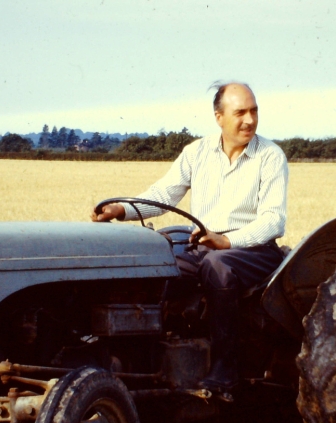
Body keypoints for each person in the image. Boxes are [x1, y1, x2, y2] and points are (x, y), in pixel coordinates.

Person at [91, 82, 289, 392]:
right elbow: (164, 193)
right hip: (205, 247)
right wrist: (122, 208)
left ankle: (226, 369)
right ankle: (142, 365)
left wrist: (227, 241)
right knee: (158, 270)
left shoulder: (270, 156)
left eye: (254, 111)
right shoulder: (197, 152)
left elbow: (273, 220)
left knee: (218, 266)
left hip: (254, 250)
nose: (249, 120)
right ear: (218, 117)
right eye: (240, 112)